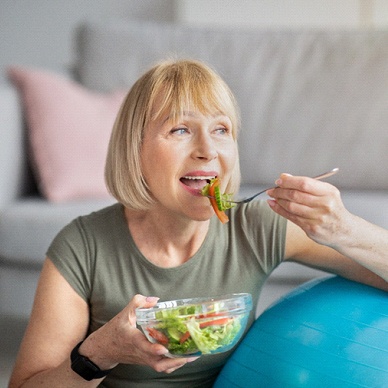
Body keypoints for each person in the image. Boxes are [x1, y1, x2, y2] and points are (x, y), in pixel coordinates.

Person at [9, 59, 388, 387]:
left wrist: (345, 230)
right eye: (181, 129)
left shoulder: (255, 225)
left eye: (221, 129)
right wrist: (100, 352)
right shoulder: (82, 246)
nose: (208, 150)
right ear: (135, 148)